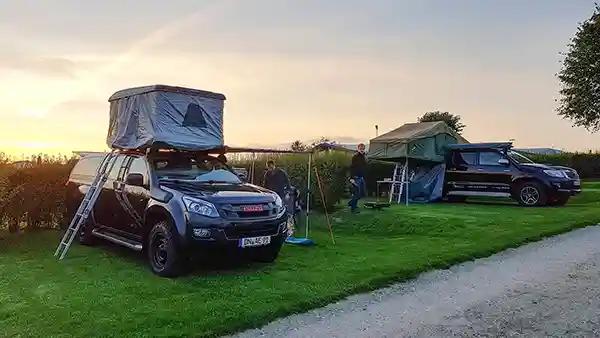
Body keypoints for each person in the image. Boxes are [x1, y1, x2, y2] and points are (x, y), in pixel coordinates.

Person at [348, 143, 367, 213]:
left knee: (361, 193)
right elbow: (352, 168)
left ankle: (351, 203)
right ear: (358, 149)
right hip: (355, 177)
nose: (362, 150)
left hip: (361, 177)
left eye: (363, 148)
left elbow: (363, 167)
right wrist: (351, 178)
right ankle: (353, 209)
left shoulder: (363, 157)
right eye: (360, 148)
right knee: (356, 193)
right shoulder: (355, 157)